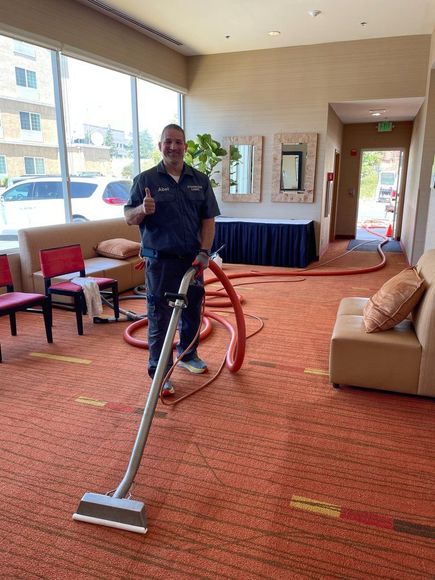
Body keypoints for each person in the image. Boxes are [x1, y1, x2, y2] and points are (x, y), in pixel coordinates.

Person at [124, 124, 220, 396]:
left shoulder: (199, 180)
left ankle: (188, 355)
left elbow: (208, 220)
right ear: (160, 146)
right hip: (161, 262)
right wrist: (143, 209)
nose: (173, 147)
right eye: (168, 142)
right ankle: (160, 372)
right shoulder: (145, 180)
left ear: (186, 147)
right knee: (160, 317)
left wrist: (204, 252)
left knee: (191, 311)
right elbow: (128, 217)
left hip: (192, 261)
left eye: (178, 142)